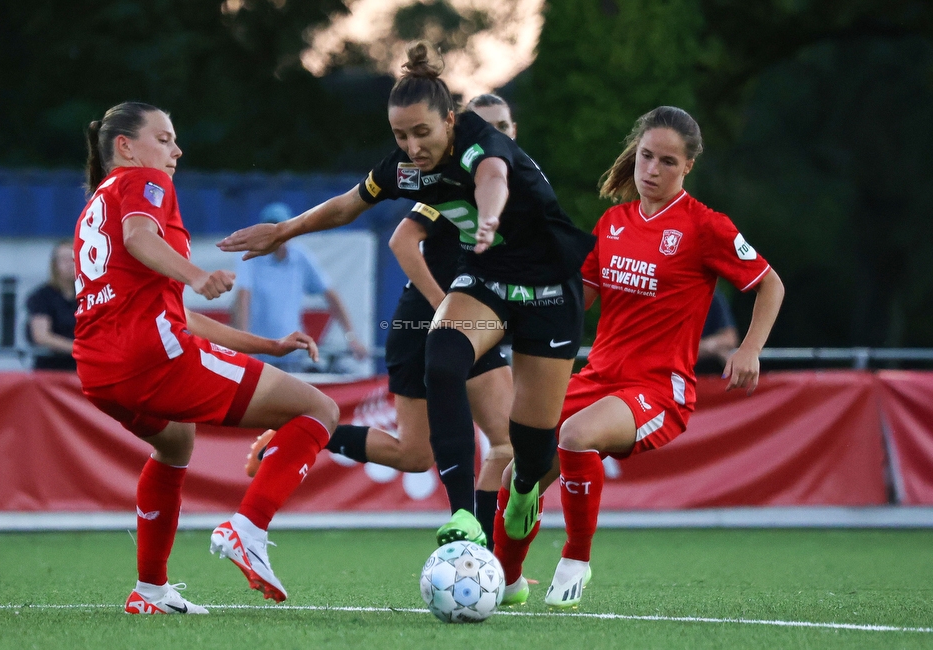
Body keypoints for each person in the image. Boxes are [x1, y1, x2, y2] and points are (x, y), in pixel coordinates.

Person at [218, 41, 596, 550]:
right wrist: (283, 231)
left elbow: (493, 178)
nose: (413, 146)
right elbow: (347, 206)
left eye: (423, 132)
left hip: (549, 288)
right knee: (442, 358)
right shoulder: (406, 167)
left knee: (528, 447)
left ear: (451, 119)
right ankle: (464, 517)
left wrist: (488, 217)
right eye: (401, 135)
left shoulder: (481, 147)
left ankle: (525, 489)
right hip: (486, 280)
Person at [491, 106, 785, 608]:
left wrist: (749, 349)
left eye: (667, 162)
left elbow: (769, 284)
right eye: (646, 156)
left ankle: (576, 559)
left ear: (688, 166)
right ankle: (506, 581)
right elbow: (575, 300)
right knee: (514, 474)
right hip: (598, 378)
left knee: (575, 436)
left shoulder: (704, 227)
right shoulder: (614, 222)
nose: (652, 170)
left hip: (658, 389)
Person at [74, 102, 339, 614]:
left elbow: (176, 314)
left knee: (176, 443)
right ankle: (248, 530)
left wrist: (267, 345)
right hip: (152, 358)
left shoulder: (95, 206)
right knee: (319, 411)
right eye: (165, 137)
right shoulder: (143, 182)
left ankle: (149, 591)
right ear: (126, 147)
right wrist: (198, 276)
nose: (176, 150)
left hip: (99, 370)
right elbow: (139, 237)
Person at [245, 93, 521, 550]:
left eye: (504, 126)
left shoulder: (513, 184)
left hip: (471, 323)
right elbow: (400, 240)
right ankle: (486, 555)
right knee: (502, 445)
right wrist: (446, 309)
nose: (495, 136)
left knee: (418, 455)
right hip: (429, 324)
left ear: (515, 131)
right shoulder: (447, 179)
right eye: (485, 127)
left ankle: (302, 433)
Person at [231, 201, 368, 372]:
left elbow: (331, 295)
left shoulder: (300, 257)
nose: (276, 232)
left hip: (292, 357)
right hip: (259, 357)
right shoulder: (249, 256)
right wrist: (246, 345)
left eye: (281, 226)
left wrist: (351, 338)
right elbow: (243, 297)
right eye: (271, 226)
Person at [25, 239, 77, 370]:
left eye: (74, 259)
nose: (70, 264)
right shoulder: (42, 296)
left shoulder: (90, 294)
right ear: (55, 265)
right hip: (51, 371)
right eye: (64, 260)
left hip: (84, 370)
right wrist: (78, 349)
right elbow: (41, 336)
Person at [695, 289, 740, 374]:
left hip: (704, 375)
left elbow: (730, 338)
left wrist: (708, 346)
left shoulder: (711, 296)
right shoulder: (667, 296)